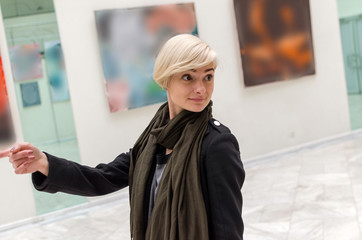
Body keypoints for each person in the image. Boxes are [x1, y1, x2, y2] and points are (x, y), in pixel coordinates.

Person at [0, 34, 245, 240]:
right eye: (188, 77)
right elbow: (100, 179)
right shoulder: (152, 140)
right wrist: (43, 163)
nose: (201, 89)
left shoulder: (217, 144)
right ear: (165, 80)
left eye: (208, 76)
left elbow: (227, 230)